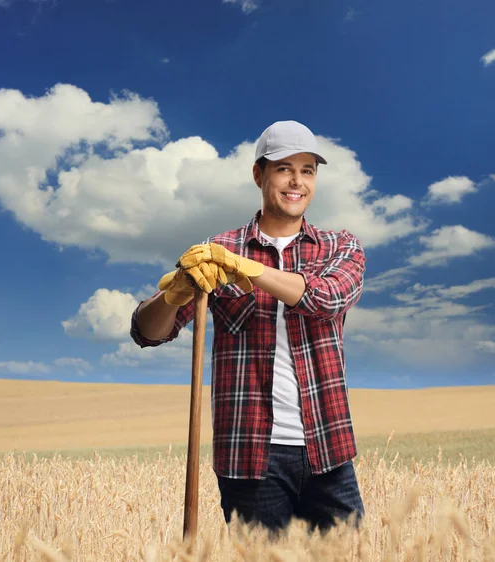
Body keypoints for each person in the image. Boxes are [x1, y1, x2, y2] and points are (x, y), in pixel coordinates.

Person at [130, 120, 366, 536]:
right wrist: (176, 294)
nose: (297, 181)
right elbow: (148, 332)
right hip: (248, 457)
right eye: (284, 168)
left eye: (308, 170)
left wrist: (249, 269)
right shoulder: (217, 249)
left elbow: (324, 299)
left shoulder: (340, 246)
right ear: (259, 175)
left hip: (328, 451)